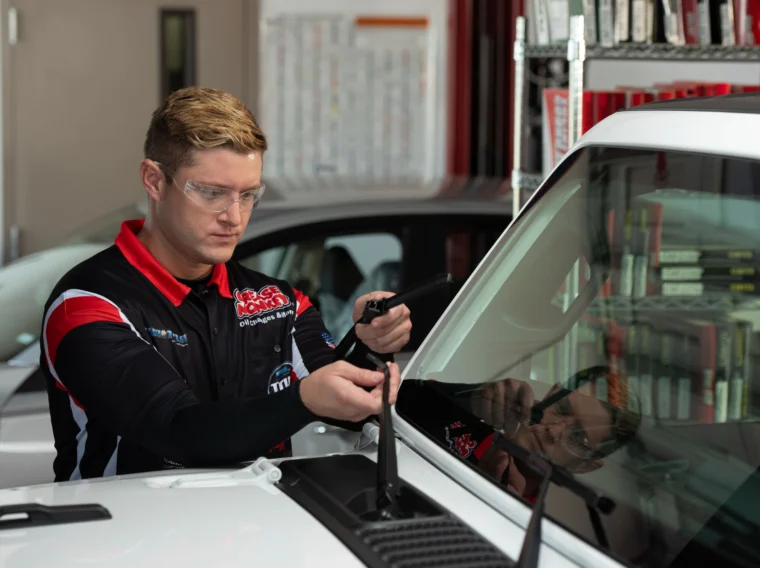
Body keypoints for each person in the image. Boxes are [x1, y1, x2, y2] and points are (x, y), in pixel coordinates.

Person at [39, 86, 411, 481]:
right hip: (118, 537)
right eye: (212, 193)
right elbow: (179, 430)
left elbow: (347, 404)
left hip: (253, 533)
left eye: (248, 195)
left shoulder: (280, 300)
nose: (234, 217)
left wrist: (369, 345)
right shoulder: (84, 304)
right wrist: (304, 398)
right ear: (153, 180)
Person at [413, 366, 641, 499]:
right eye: (561, 408)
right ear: (552, 392)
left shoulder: (522, 535)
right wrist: (468, 398)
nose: (553, 429)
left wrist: (489, 500)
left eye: (578, 437)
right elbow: (389, 396)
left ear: (584, 466)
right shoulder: (463, 412)